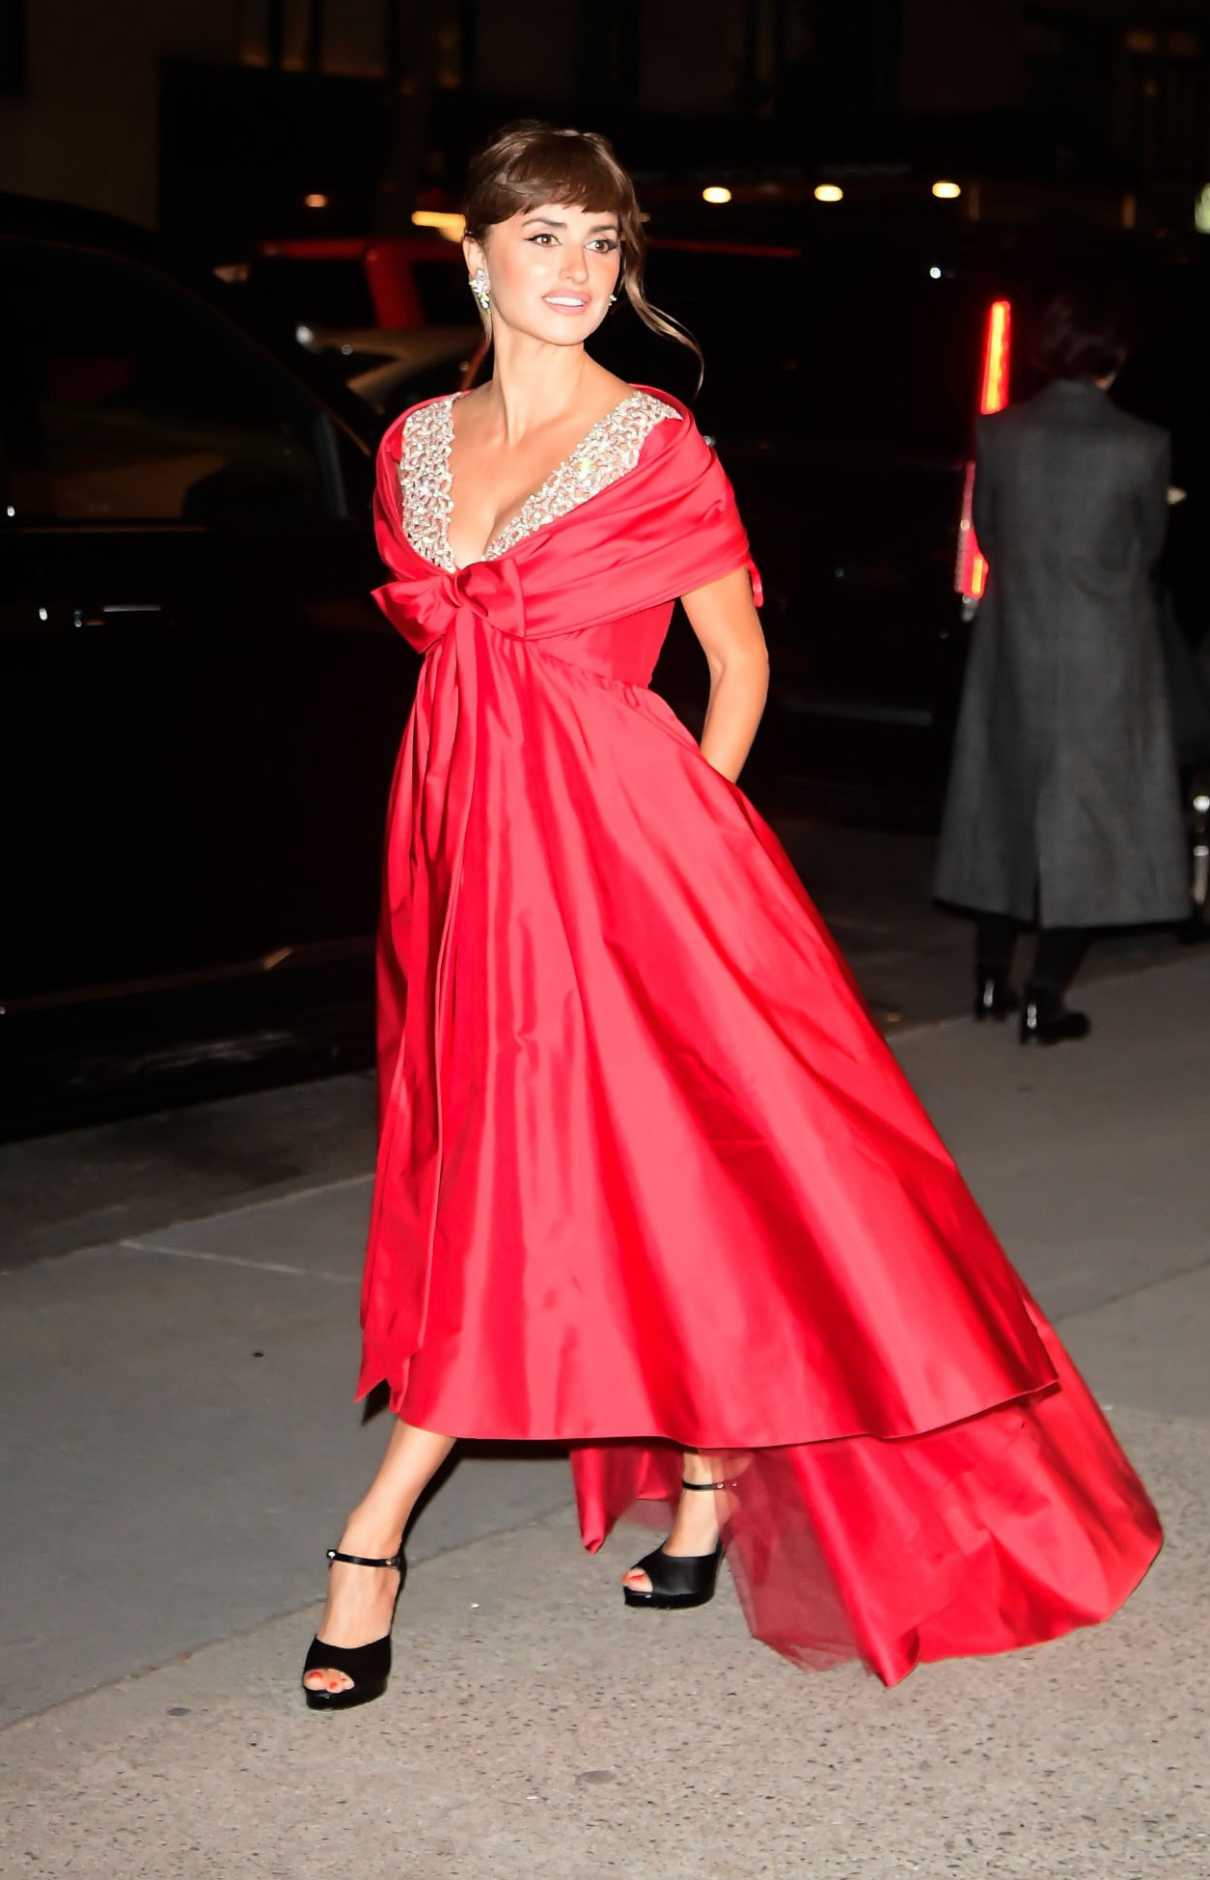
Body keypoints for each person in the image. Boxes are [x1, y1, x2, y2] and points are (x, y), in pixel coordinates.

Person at [302, 125, 1160, 1708]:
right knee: (623, 1173)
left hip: (633, 847)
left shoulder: (657, 443)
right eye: (544, 238)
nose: (575, 272)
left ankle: (373, 1538)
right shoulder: (411, 440)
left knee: (541, 1176)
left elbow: (738, 662)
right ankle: (702, 1478)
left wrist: (673, 845)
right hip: (458, 844)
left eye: (603, 246)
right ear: (473, 253)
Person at [935, 285, 1189, 1043]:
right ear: (1117, 355)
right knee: (1095, 823)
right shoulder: (1141, 445)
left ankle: (990, 980)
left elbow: (988, 533)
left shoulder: (1001, 433)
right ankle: (1046, 994)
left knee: (999, 808)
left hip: (1012, 647)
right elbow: (1145, 554)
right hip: (1104, 658)